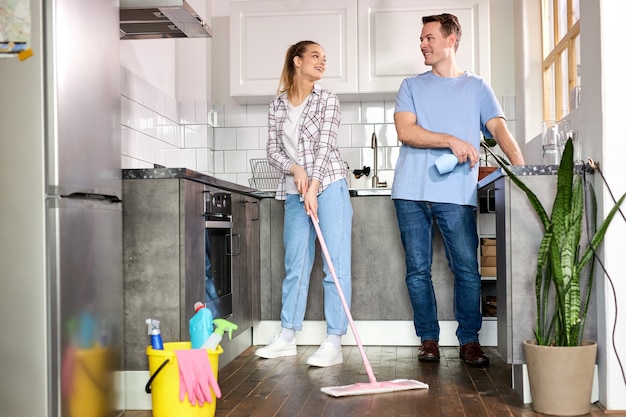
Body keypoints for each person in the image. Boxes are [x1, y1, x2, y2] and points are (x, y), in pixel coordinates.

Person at [392, 13, 525, 367]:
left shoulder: (478, 87)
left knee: (466, 269)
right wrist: (451, 140)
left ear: (451, 40)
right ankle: (429, 340)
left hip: (455, 194)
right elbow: (406, 132)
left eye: (429, 37)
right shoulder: (411, 86)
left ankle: (469, 341)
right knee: (418, 270)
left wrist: (523, 170)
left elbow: (499, 130)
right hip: (410, 192)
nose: (422, 44)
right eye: (421, 39)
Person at [255, 40, 353, 367]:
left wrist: (313, 184)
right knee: (295, 263)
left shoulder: (328, 99)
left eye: (324, 58)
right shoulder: (277, 105)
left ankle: (334, 341)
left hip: (329, 185)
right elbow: (273, 151)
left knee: (333, 266)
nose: (322, 62)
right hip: (295, 189)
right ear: (297, 61)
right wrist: (294, 168)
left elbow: (325, 147)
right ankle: (287, 336)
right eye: (315, 56)